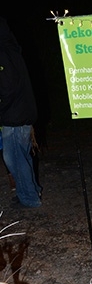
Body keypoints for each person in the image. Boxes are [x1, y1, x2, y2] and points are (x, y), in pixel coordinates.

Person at [0, 16, 42, 208]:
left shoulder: (3, 53)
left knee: (14, 158)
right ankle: (30, 191)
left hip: (14, 115)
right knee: (21, 156)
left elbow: (7, 87)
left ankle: (29, 198)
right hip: (20, 112)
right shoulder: (10, 49)